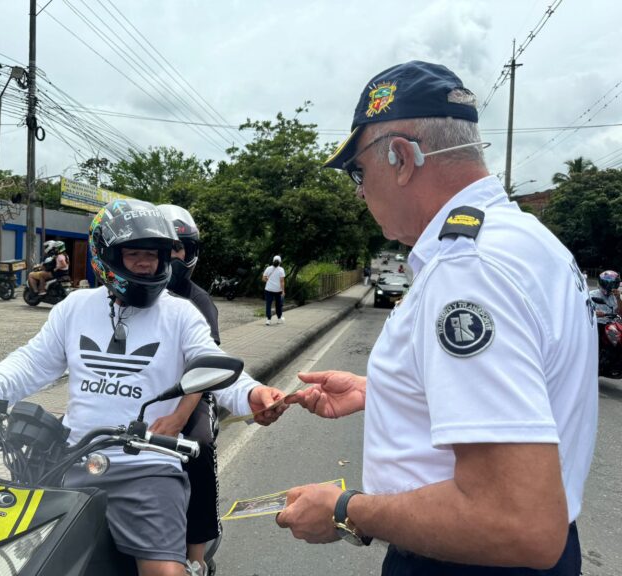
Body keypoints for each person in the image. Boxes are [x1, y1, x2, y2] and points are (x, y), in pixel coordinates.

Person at [276, 60, 597, 574]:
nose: (358, 192)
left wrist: (344, 510)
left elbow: (516, 522)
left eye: (359, 172)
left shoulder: (469, 268)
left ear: (401, 158)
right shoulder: (525, 240)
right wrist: (386, 389)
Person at [0, 199, 287, 576]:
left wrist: (252, 395)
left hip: (148, 468)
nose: (144, 263)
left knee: (162, 572)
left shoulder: (181, 313)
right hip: (71, 461)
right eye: (134, 253)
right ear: (105, 256)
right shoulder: (74, 308)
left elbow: (210, 363)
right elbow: (31, 362)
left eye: (152, 255)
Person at [157, 203, 221, 574]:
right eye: (167, 248)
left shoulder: (198, 302)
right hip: (150, 392)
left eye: (180, 248)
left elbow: (205, 366)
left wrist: (179, 418)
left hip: (194, 393)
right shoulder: (134, 294)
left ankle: (196, 556)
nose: (173, 256)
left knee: (199, 445)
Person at [262, 255, 285, 325]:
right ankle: (279, 318)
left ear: (273, 261)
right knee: (278, 305)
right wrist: (283, 291)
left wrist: (268, 280)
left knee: (268, 304)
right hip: (278, 290)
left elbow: (263, 279)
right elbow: (282, 281)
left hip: (268, 289)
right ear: (280, 262)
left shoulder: (268, 268)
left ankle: (268, 320)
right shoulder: (281, 270)